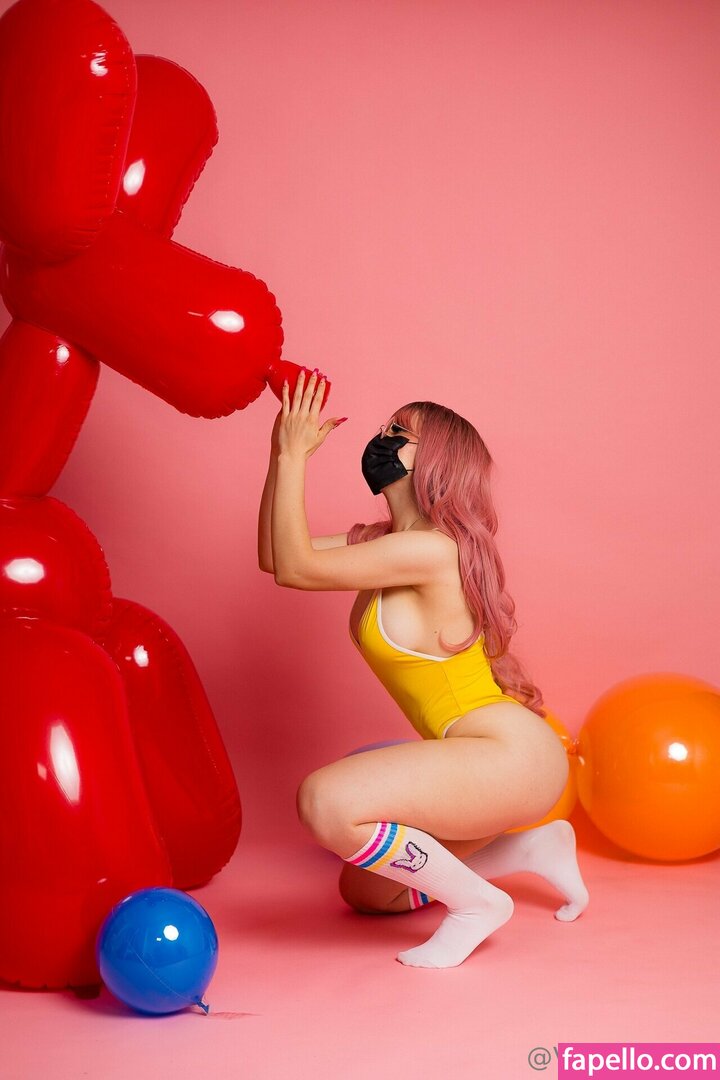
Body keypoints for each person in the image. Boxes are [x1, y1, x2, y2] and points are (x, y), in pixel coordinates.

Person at [258, 366, 589, 968]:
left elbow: (296, 568)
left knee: (325, 802)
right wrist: (282, 454)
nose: (381, 438)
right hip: (490, 761)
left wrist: (294, 455)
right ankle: (529, 850)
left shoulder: (432, 549)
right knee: (369, 892)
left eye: (398, 433)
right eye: (385, 426)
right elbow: (274, 557)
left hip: (507, 754)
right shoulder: (381, 543)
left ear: (433, 461)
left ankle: (478, 906)